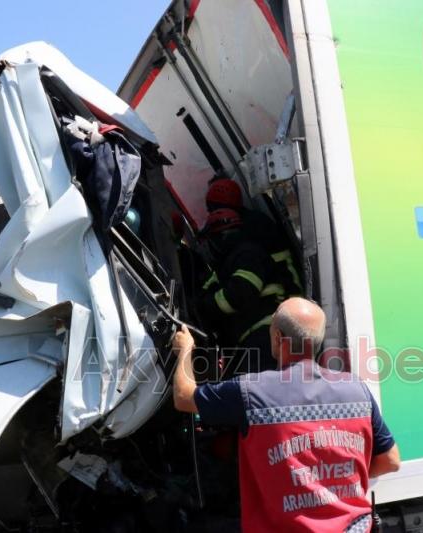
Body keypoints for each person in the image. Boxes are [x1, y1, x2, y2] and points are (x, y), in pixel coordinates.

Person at [172, 297, 401, 533]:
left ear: (278, 338)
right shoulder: (357, 390)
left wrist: (186, 350)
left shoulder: (251, 393)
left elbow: (183, 396)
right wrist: (334, 483)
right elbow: (391, 460)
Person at [198, 208, 289, 374]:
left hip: (264, 334)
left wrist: (205, 305)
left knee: (252, 392)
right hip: (254, 336)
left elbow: (238, 295)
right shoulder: (232, 260)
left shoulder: (247, 254)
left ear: (221, 237)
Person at [206, 177, 302, 296]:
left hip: (281, 288)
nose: (210, 213)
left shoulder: (242, 229)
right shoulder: (255, 219)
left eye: (211, 208)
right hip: (285, 283)